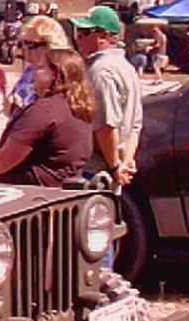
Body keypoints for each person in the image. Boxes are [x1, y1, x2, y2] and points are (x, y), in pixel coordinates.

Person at [0, 49, 93, 187]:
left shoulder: (45, 110)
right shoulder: (79, 107)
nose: (33, 73)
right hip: (62, 188)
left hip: (31, 192)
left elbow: (4, 161)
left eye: (40, 68)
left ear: (55, 74)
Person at [73, 6, 142, 189]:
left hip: (98, 171)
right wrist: (126, 161)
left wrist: (115, 166)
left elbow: (105, 125)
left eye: (84, 33)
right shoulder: (127, 67)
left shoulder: (101, 71)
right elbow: (135, 125)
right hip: (115, 167)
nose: (78, 38)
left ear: (104, 36)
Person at [6, 15, 70, 117]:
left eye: (31, 46)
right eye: (23, 44)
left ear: (50, 45)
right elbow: (11, 106)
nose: (25, 51)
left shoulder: (64, 74)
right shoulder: (30, 71)